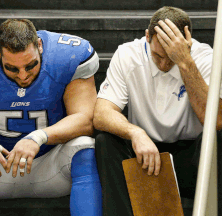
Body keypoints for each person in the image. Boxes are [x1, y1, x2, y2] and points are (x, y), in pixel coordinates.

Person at [0, 19, 102, 216]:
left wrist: (38, 138)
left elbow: (86, 120)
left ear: (40, 46)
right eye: (12, 68)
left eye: (31, 66)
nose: (23, 75)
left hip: (50, 166)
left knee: (86, 146)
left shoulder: (69, 56)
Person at [93, 6, 222, 216]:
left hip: (191, 157)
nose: (163, 64)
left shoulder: (206, 58)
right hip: (144, 153)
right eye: (157, 55)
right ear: (147, 36)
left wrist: (185, 62)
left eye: (170, 58)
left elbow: (215, 121)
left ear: (187, 42)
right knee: (105, 140)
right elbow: (101, 114)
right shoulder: (128, 54)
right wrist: (136, 133)